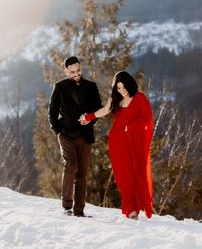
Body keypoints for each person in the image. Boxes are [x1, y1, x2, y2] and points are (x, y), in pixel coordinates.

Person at [79, 71, 153, 220]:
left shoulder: (139, 98)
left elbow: (148, 119)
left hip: (134, 144)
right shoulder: (115, 99)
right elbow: (104, 111)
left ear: (130, 84)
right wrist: (88, 117)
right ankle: (130, 209)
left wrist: (132, 126)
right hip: (117, 143)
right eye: (118, 88)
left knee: (135, 175)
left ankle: (135, 206)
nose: (122, 90)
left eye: (124, 87)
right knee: (123, 177)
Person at [48, 56, 102, 217]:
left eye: (78, 70)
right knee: (70, 165)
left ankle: (79, 211)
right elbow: (52, 111)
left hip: (85, 135)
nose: (76, 74)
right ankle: (67, 206)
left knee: (82, 173)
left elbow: (98, 109)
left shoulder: (91, 87)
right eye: (72, 72)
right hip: (66, 134)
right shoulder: (59, 87)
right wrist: (57, 130)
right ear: (66, 71)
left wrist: (90, 120)